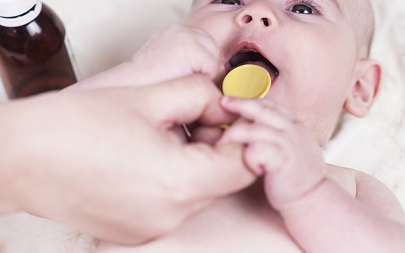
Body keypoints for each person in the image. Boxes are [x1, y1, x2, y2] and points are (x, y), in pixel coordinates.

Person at [81, 0, 405, 253]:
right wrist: (139, 76)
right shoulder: (152, 143)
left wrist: (309, 193)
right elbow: (47, 137)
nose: (257, 12)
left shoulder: (349, 186)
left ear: (359, 87)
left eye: (303, 8)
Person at [0, 79, 255, 244]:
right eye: (228, 1)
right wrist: (137, 71)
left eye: (297, 9)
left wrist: (296, 196)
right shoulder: (147, 113)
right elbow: (67, 114)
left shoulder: (292, 163)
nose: (255, 13)